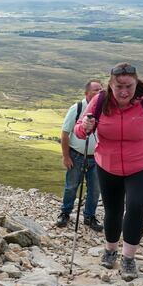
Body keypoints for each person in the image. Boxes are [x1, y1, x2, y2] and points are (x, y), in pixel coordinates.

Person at [76, 63, 143, 281]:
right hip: (107, 165)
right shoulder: (100, 101)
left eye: (129, 86)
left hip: (142, 165)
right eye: (118, 86)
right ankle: (110, 250)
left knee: (136, 206)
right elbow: (79, 130)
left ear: (136, 83)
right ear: (110, 84)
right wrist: (84, 127)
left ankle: (128, 258)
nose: (123, 92)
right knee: (113, 209)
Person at [56, 80, 104, 232]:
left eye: (101, 89)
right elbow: (65, 134)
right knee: (71, 187)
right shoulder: (77, 108)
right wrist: (65, 156)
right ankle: (65, 213)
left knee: (95, 189)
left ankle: (89, 216)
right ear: (87, 93)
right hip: (76, 155)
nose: (99, 92)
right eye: (96, 90)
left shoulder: (104, 109)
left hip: (97, 158)